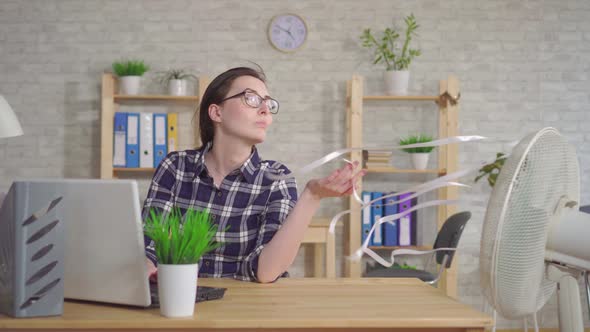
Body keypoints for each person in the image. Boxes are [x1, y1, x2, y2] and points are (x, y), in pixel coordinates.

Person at [143, 66, 365, 283]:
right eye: (251, 99)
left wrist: (312, 196)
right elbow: (148, 247)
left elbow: (265, 272)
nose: (265, 109)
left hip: (250, 312)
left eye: (268, 102)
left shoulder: (277, 179)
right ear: (216, 112)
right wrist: (148, 270)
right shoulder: (175, 167)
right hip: (180, 307)